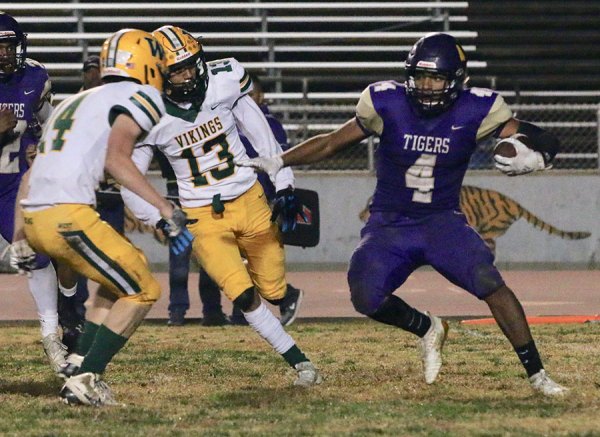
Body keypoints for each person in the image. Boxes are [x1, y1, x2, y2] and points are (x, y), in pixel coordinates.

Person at [237, 32, 568, 396]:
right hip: (390, 222)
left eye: (436, 78)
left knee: (491, 285)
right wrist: (279, 159)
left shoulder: (479, 108)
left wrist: (538, 156)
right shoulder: (386, 102)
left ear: (457, 80)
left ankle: (537, 375)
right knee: (365, 295)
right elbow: (333, 140)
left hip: (443, 221)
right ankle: (427, 327)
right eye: (421, 77)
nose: (426, 87)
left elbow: (538, 137)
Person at [122, 25, 320, 387]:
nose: (185, 75)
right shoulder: (145, 111)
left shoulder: (223, 80)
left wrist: (284, 182)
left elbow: (260, 131)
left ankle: (285, 295)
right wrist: (159, 219)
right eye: (174, 69)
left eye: (189, 65)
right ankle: (300, 362)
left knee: (272, 290)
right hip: (200, 215)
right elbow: (128, 177)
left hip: (250, 199)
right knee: (242, 294)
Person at [11, 28, 194, 406]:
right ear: (144, 63)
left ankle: (78, 362)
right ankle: (87, 378)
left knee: (123, 274)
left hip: (36, 215)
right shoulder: (139, 94)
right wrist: (164, 208)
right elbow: (117, 159)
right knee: (144, 289)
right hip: (67, 215)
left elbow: (29, 175)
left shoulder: (72, 103)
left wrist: (19, 236)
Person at [0, 12, 73, 374]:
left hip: (12, 184)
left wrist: (41, 149)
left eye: (8, 45)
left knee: (38, 256)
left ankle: (51, 336)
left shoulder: (35, 76)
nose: (4, 54)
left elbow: (48, 124)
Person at [230, 73, 303, 326]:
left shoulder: (269, 122)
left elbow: (278, 158)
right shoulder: (229, 119)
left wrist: (278, 195)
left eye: (253, 95)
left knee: (251, 256)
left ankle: (283, 296)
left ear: (260, 96)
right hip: (238, 195)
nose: (249, 99)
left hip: (262, 196)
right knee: (237, 255)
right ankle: (243, 310)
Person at [58, 54, 118, 352]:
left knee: (116, 262)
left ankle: (107, 318)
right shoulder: (75, 107)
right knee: (77, 259)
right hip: (83, 193)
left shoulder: (112, 106)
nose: (94, 75)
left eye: (98, 71)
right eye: (89, 71)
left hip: (110, 193)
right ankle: (75, 317)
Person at [154, 150, 230, 327]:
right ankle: (210, 311)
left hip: (181, 189)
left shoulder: (166, 127)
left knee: (182, 256)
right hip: (202, 188)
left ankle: (178, 312)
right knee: (205, 254)